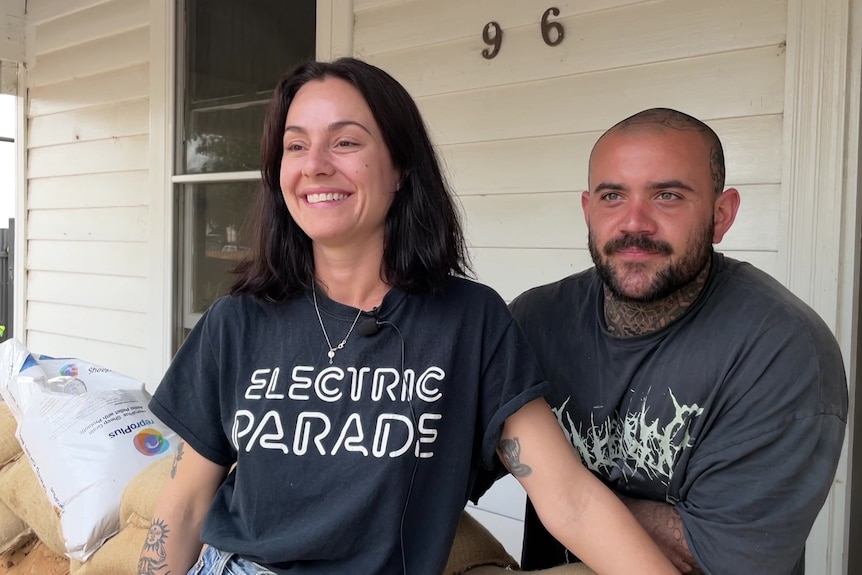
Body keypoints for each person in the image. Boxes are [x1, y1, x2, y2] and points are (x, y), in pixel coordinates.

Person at [137, 59, 678, 575]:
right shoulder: (237, 322)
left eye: (345, 142)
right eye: (296, 145)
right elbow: (184, 505)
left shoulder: (468, 322)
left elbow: (571, 500)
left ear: (400, 168)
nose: (316, 164)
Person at [494, 108, 848, 574]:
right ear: (588, 210)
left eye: (667, 195)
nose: (634, 223)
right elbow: (432, 469)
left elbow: (713, 559)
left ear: (721, 215)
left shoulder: (783, 351)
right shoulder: (532, 321)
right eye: (612, 196)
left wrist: (555, 482)